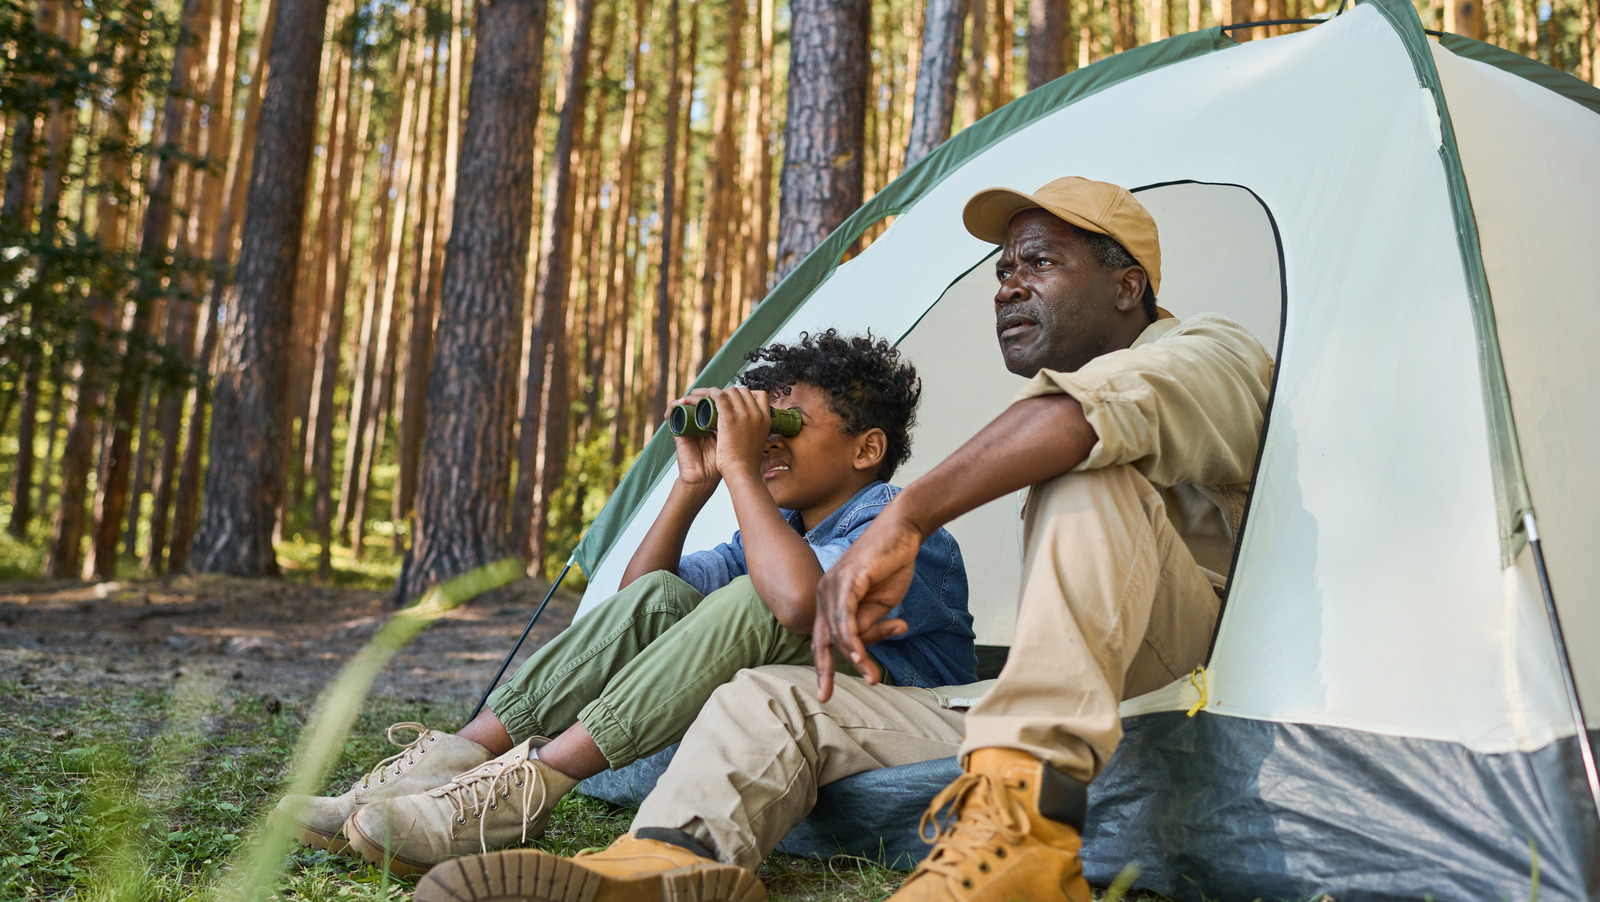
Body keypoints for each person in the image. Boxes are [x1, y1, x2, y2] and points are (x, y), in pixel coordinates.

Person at [415, 176, 1273, 902]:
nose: (1008, 286)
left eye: (1040, 263)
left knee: (1085, 461)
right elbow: (657, 593)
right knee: (768, 693)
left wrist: (904, 516)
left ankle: (1024, 836)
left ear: (1129, 287)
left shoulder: (1208, 349)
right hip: (1035, 693)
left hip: (1190, 676)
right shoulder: (1037, 406)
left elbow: (1083, 420)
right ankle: (668, 860)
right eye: (1003, 270)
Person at [273, 330, 975, 876]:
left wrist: (739, 468)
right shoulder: (781, 530)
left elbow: (793, 606)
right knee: (673, 594)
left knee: (752, 601)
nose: (764, 443)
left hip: (902, 710)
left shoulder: (900, 520)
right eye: (763, 424)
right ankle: (457, 763)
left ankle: (527, 791)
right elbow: (640, 602)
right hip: (812, 690)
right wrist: (692, 484)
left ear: (867, 448)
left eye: (786, 425)